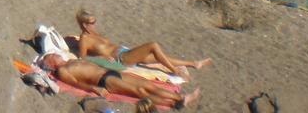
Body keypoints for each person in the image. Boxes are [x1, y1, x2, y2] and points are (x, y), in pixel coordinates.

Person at [75, 10, 212, 78]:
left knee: (159, 57)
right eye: (93, 23)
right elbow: (82, 57)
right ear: (85, 25)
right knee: (153, 45)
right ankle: (175, 71)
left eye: (95, 21)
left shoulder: (94, 33)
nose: (95, 24)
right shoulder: (84, 39)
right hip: (121, 59)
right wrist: (102, 58)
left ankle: (194, 64)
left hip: (124, 52)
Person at [39, 55, 200, 109]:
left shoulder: (71, 61)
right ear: (51, 63)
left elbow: (94, 63)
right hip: (104, 80)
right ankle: (177, 101)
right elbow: (77, 84)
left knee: (147, 85)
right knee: (140, 93)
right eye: (52, 56)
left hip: (110, 72)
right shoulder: (62, 71)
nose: (56, 54)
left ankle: (178, 99)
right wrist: (95, 89)